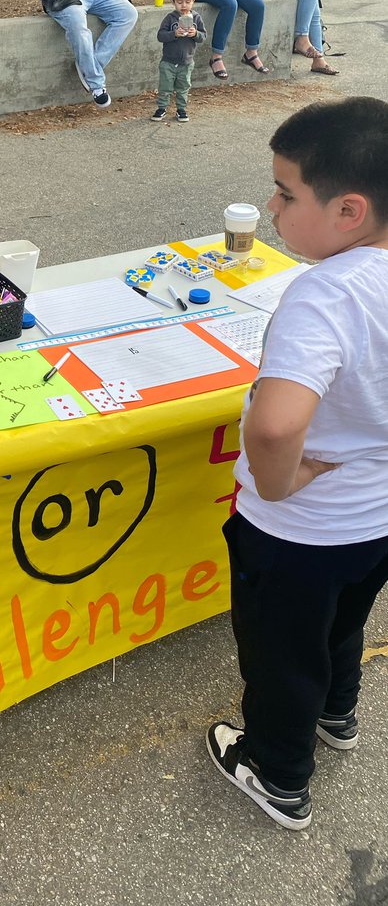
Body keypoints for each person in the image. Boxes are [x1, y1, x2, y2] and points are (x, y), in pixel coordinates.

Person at [206, 96, 388, 832]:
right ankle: (338, 713)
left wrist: (277, 487)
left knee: (282, 653)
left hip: (300, 531)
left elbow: (278, 425)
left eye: (286, 193)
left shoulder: (326, 293)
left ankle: (277, 773)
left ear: (349, 211)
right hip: (375, 522)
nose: (274, 207)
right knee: (343, 622)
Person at [151, 0, 207, 122]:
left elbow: (203, 36)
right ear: (173, 1)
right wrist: (174, 34)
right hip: (168, 61)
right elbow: (160, 36)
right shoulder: (170, 18)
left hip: (187, 62)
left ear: (193, 0)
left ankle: (181, 109)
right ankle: (162, 108)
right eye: (179, 2)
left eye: (187, 2)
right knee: (165, 86)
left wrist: (195, 34)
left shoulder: (196, 18)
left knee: (183, 87)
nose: (184, 5)